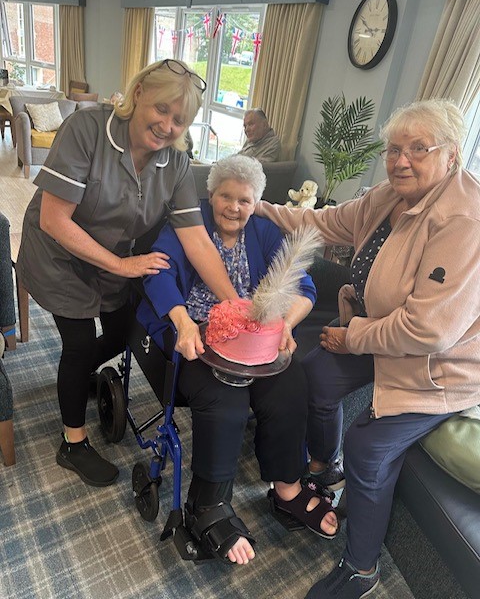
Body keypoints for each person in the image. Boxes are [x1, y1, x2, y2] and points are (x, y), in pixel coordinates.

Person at [254, 99, 480, 598]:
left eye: (419, 148)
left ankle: (361, 569)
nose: (401, 160)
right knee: (312, 376)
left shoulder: (465, 219)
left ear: (452, 155)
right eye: (394, 148)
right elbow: (325, 222)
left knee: (368, 449)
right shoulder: (388, 197)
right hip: (376, 335)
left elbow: (428, 330)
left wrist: (351, 336)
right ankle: (323, 468)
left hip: (438, 366)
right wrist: (251, 204)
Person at [16, 59, 240, 488]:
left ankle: (78, 379)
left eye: (180, 120)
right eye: (161, 110)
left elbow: (196, 239)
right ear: (138, 95)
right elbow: (54, 219)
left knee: (127, 330)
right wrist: (121, 265)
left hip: (112, 255)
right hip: (59, 253)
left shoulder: (175, 162)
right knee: (79, 340)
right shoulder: (87, 130)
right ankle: (73, 443)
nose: (167, 125)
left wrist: (235, 303)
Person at [136, 154, 340, 565]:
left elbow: (303, 285)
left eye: (244, 200)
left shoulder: (264, 232)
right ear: (210, 196)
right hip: (196, 331)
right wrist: (183, 323)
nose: (234, 207)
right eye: (225, 196)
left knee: (290, 383)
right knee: (225, 399)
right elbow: (157, 274)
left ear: (256, 202)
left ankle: (287, 489)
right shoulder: (187, 227)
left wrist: (286, 324)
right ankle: (207, 503)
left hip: (255, 338)